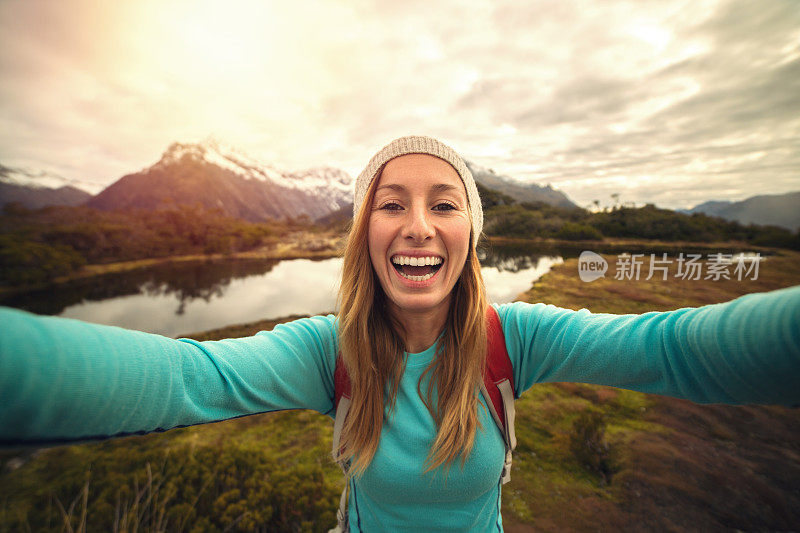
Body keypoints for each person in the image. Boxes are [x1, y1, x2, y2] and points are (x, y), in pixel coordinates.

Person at [1, 135, 799, 532]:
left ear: (471, 233)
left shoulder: (514, 338)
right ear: (364, 232)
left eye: (444, 203)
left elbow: (675, 348)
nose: (418, 226)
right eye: (392, 203)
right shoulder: (329, 352)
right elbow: (187, 378)